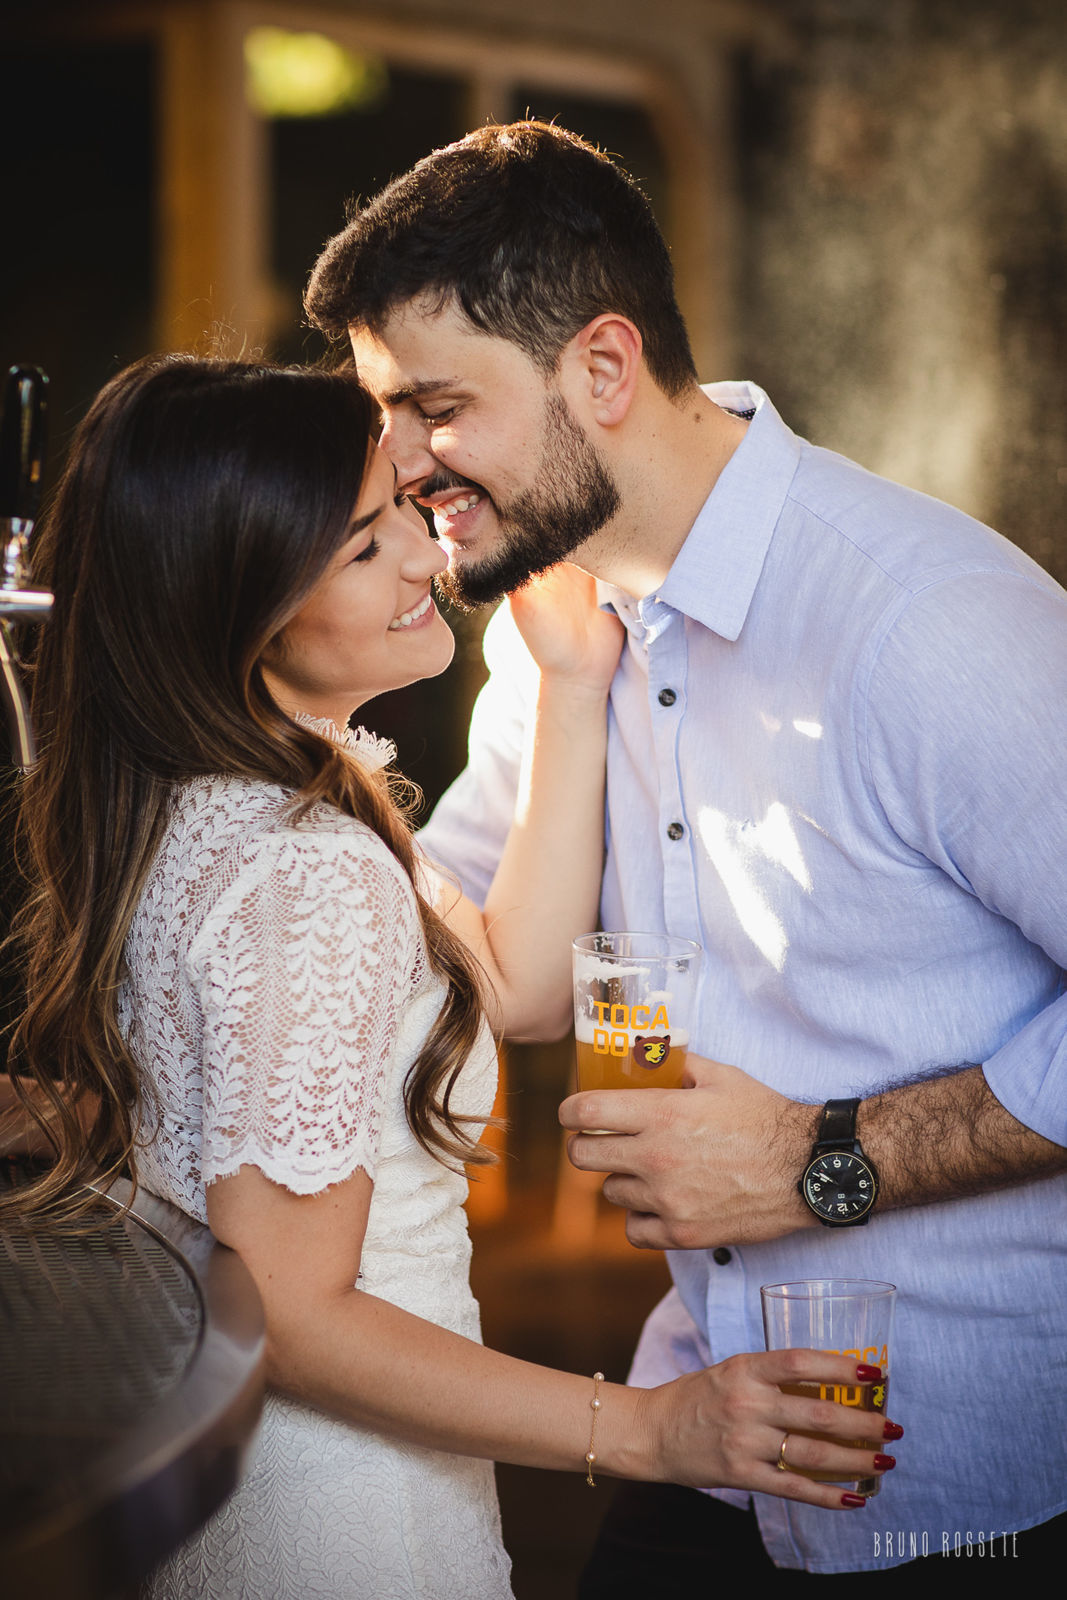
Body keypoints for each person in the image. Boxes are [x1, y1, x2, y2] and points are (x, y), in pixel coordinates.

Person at [304, 119, 1067, 1581]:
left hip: (980, 1496)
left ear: (600, 367)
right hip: (709, 1430)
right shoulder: (554, 623)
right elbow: (479, 968)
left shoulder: (928, 629)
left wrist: (820, 1162)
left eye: (433, 408)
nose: (397, 468)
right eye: (383, 416)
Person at [1, 354, 893, 1600]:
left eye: (402, 511)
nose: (428, 558)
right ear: (237, 602)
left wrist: (572, 685)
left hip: (263, 1492)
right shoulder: (303, 870)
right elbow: (300, 1316)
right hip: (344, 1526)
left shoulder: (222, 800)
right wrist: (648, 1426)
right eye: (366, 545)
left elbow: (512, 980)